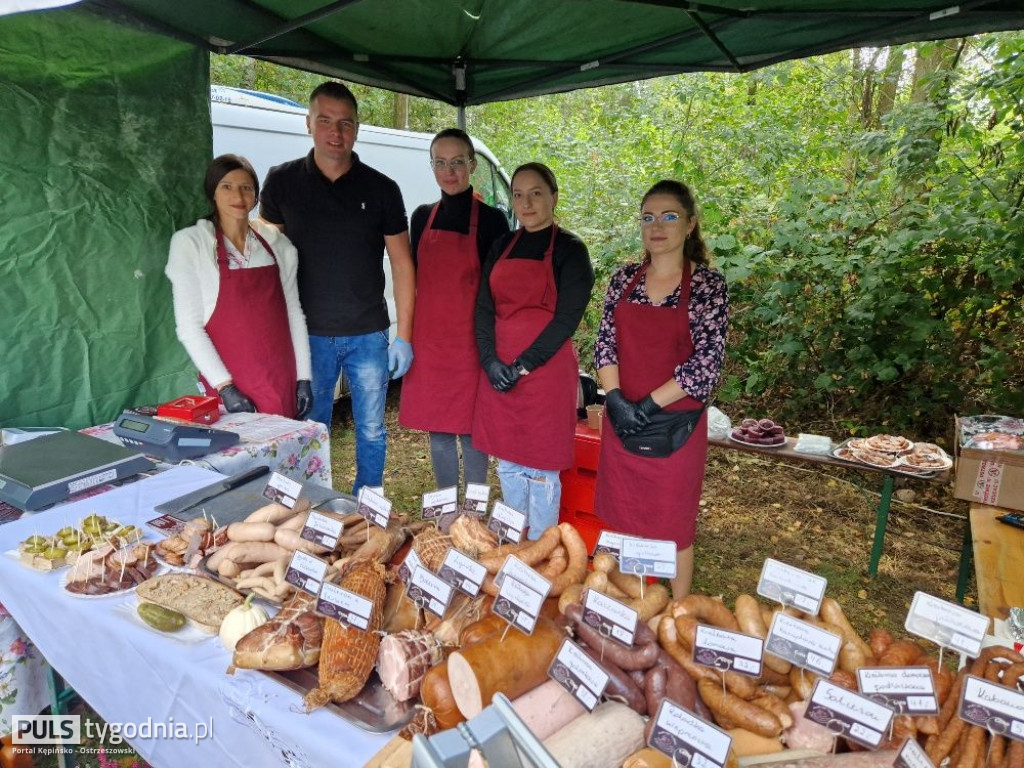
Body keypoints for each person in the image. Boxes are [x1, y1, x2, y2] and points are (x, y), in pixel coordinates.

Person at [259, 81, 416, 494]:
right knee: (311, 430)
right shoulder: (281, 182)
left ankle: (368, 508)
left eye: (345, 123)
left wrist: (404, 336)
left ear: (357, 128)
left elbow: (402, 264)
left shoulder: (381, 188)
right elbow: (266, 263)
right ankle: (312, 507)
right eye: (325, 121)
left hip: (368, 333)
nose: (336, 132)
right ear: (308, 123)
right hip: (308, 335)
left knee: (371, 430)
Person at [593, 180, 729, 598]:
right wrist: (615, 400)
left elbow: (706, 364)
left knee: (673, 521)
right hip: (624, 418)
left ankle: (678, 609)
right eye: (648, 217)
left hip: (676, 424)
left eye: (669, 216)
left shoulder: (708, 286)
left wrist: (648, 406)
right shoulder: (623, 280)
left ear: (689, 225)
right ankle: (624, 600)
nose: (657, 226)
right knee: (623, 512)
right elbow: (605, 344)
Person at [472, 163, 595, 539]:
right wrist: (490, 361)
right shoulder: (501, 245)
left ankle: (543, 548)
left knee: (542, 468)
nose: (526, 202)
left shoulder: (571, 250)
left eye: (536, 193)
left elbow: (567, 319)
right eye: (519, 194)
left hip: (545, 372)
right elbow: (483, 308)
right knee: (508, 463)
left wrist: (523, 365)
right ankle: (513, 542)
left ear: (553, 197)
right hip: (499, 370)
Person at [399, 129, 510, 489]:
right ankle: (447, 506)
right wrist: (404, 338)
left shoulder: (493, 221)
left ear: (472, 165)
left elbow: (499, 289)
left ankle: (475, 509)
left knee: (473, 429)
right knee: (439, 428)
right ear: (432, 166)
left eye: (458, 162)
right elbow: (414, 280)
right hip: (430, 342)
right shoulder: (421, 218)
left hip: (472, 343)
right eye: (441, 163)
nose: (449, 171)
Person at [166, 154, 312, 418]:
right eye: (227, 186)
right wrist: (225, 387)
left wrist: (303, 377)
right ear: (212, 192)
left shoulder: (277, 245)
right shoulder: (191, 244)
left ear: (256, 195)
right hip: (229, 382)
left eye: (246, 187)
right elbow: (189, 327)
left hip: (281, 377)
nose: (238, 195)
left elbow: (293, 312)